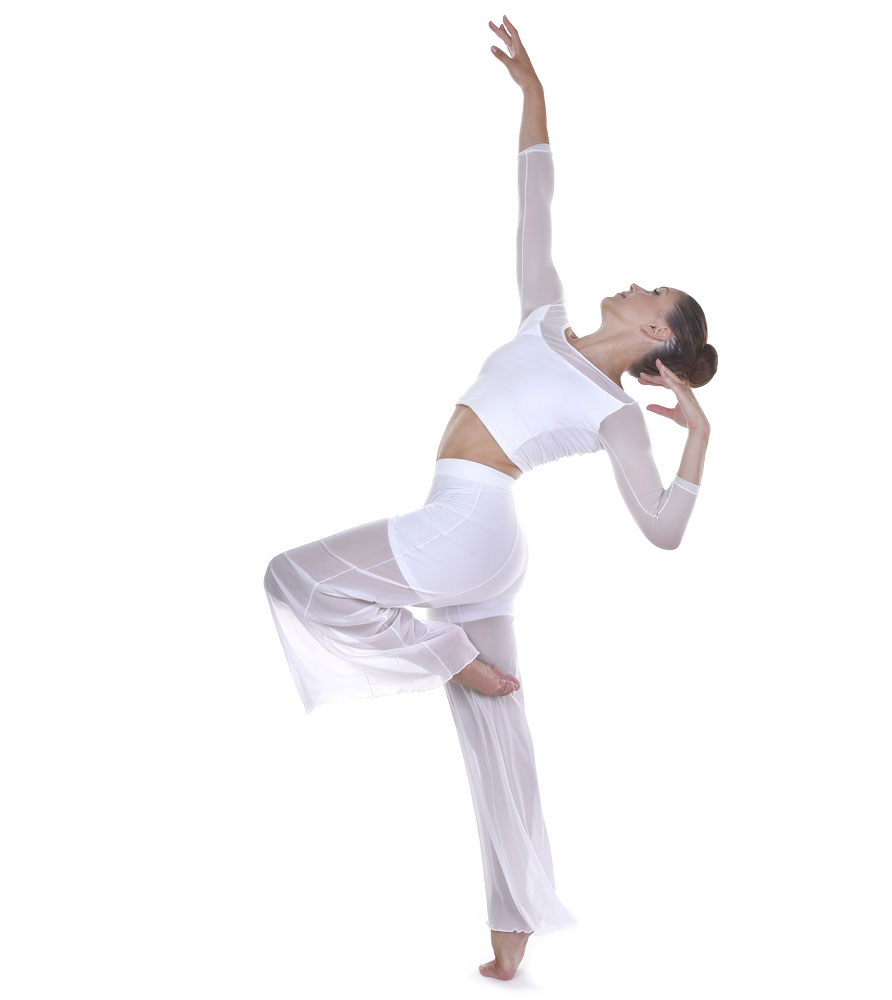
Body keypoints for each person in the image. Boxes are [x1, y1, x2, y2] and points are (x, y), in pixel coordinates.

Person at [263, 14, 716, 983]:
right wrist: (535, 96)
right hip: (481, 540)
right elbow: (534, 203)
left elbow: (664, 531)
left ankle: (449, 658)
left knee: (293, 578)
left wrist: (700, 441)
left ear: (657, 335)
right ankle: (513, 940)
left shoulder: (615, 413)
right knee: (500, 740)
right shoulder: (543, 318)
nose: (635, 283)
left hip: (467, 524)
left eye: (653, 294)